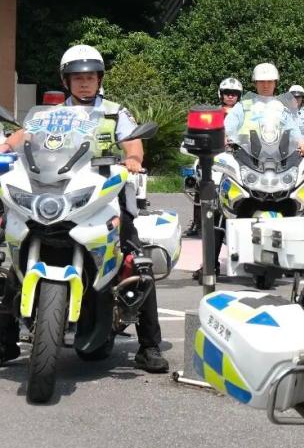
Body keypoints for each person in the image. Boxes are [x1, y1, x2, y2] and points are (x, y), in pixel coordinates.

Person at [0, 44, 168, 373]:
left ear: (99, 79)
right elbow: (23, 136)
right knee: (10, 257)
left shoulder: (114, 113)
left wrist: (133, 159)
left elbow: (133, 143)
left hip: (101, 196)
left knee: (136, 259)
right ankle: (5, 342)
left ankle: (149, 346)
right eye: (78, 78)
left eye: (90, 77)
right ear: (66, 82)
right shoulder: (52, 115)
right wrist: (6, 146)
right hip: (54, 193)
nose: (85, 83)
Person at [184, 76, 243, 239]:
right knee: (201, 180)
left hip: (237, 155)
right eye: (227, 92)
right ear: (221, 94)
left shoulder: (244, 115)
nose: (230, 96)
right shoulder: (213, 113)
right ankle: (198, 222)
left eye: (234, 93)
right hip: (214, 154)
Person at [225, 63, 304, 157]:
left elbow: (293, 131)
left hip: (279, 157)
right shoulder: (243, 107)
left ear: (275, 83)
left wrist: (303, 145)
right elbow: (227, 128)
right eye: (261, 81)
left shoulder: (282, 108)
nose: (265, 85)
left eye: (269, 81)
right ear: (255, 83)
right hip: (246, 156)